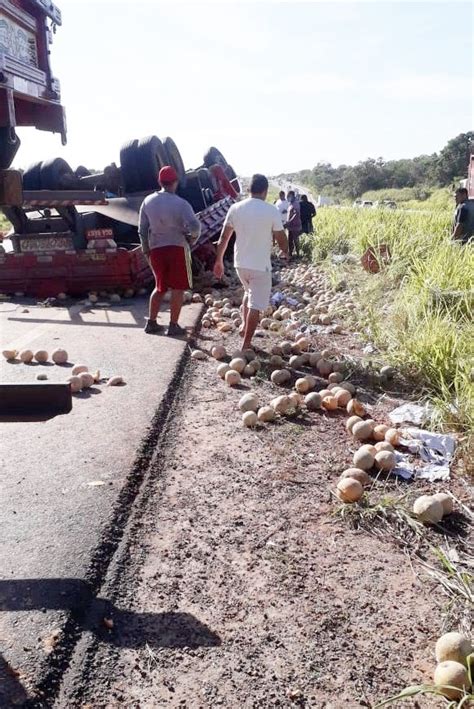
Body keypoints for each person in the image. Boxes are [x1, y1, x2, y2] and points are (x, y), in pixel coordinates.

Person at [213, 173, 288, 350]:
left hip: (240, 264)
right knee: (256, 305)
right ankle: (246, 344)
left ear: (249, 189)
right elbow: (281, 238)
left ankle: (244, 328)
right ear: (265, 190)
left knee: (248, 293)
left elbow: (223, 238)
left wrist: (219, 261)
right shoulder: (271, 210)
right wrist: (286, 252)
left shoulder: (236, 208)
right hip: (260, 266)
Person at [139, 165, 201, 336]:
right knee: (178, 288)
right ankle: (173, 325)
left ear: (159, 181)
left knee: (160, 287)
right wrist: (192, 238)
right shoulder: (181, 204)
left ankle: (151, 323)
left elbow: (142, 229)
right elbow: (195, 226)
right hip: (177, 248)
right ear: (175, 182)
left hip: (156, 249)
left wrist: (146, 250)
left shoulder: (147, 201)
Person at [285, 190, 302, 259]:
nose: (287, 197)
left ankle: (298, 254)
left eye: (288, 196)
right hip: (290, 226)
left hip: (295, 225)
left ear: (292, 196)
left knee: (295, 239)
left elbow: (296, 213)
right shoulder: (290, 204)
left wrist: (289, 221)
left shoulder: (296, 203)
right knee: (289, 239)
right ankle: (290, 253)